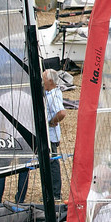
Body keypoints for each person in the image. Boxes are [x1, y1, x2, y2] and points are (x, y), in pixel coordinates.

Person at [41, 69, 67, 201]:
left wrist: (52, 121)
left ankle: (55, 193)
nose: (42, 80)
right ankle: (50, 191)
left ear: (50, 81)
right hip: (52, 135)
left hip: (50, 136)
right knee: (49, 163)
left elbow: (62, 112)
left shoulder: (53, 95)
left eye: (44, 78)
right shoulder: (50, 93)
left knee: (53, 164)